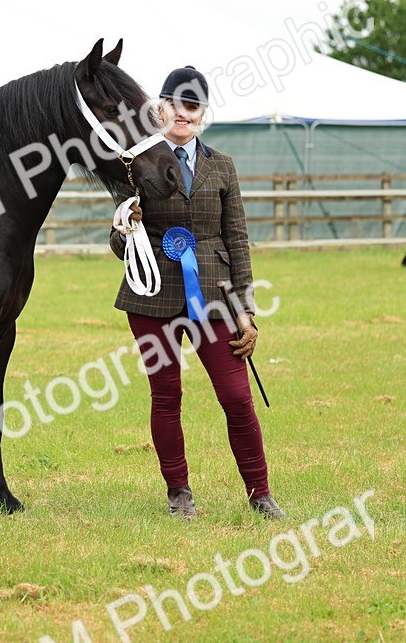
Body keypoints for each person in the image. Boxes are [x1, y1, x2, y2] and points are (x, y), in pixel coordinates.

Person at [108, 66, 284, 520]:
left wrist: (245, 310)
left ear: (203, 113)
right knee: (166, 396)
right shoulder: (134, 164)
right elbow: (119, 244)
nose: (183, 113)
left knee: (237, 397)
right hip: (152, 296)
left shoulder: (222, 165)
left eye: (193, 106)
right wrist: (124, 229)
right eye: (175, 104)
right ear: (160, 109)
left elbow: (237, 239)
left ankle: (260, 493)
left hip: (216, 294)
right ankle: (178, 492)